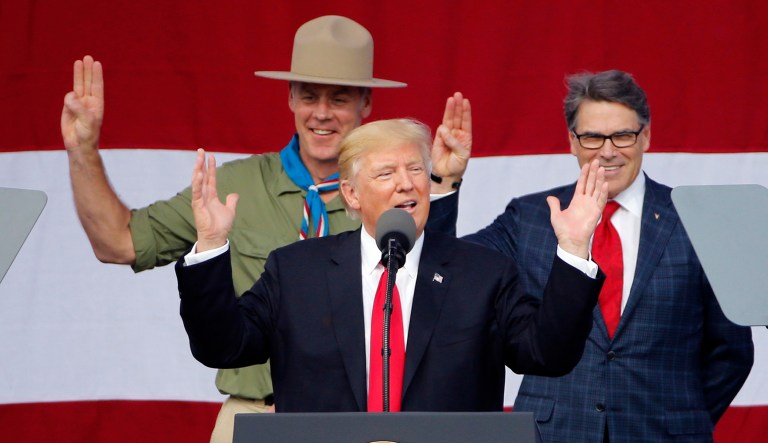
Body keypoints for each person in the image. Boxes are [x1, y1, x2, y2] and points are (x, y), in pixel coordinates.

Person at [60, 15, 469, 442]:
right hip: (256, 416)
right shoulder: (235, 186)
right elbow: (118, 242)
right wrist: (82, 149)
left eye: (340, 98)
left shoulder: (396, 189)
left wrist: (441, 186)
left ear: (365, 103)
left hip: (370, 422)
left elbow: (436, 292)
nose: (322, 113)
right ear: (291, 96)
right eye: (309, 96)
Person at [176, 118, 608, 413]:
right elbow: (223, 346)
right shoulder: (295, 272)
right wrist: (212, 244)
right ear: (351, 194)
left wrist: (571, 250)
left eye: (416, 169)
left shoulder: (483, 273)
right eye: (386, 174)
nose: (407, 183)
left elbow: (547, 354)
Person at [433, 70, 754, 442]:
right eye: (592, 137)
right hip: (553, 433)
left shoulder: (697, 220)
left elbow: (731, 353)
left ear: (646, 136)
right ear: (572, 141)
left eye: (622, 135)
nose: (607, 150)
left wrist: (681, 420)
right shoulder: (531, 218)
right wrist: (445, 183)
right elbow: (447, 270)